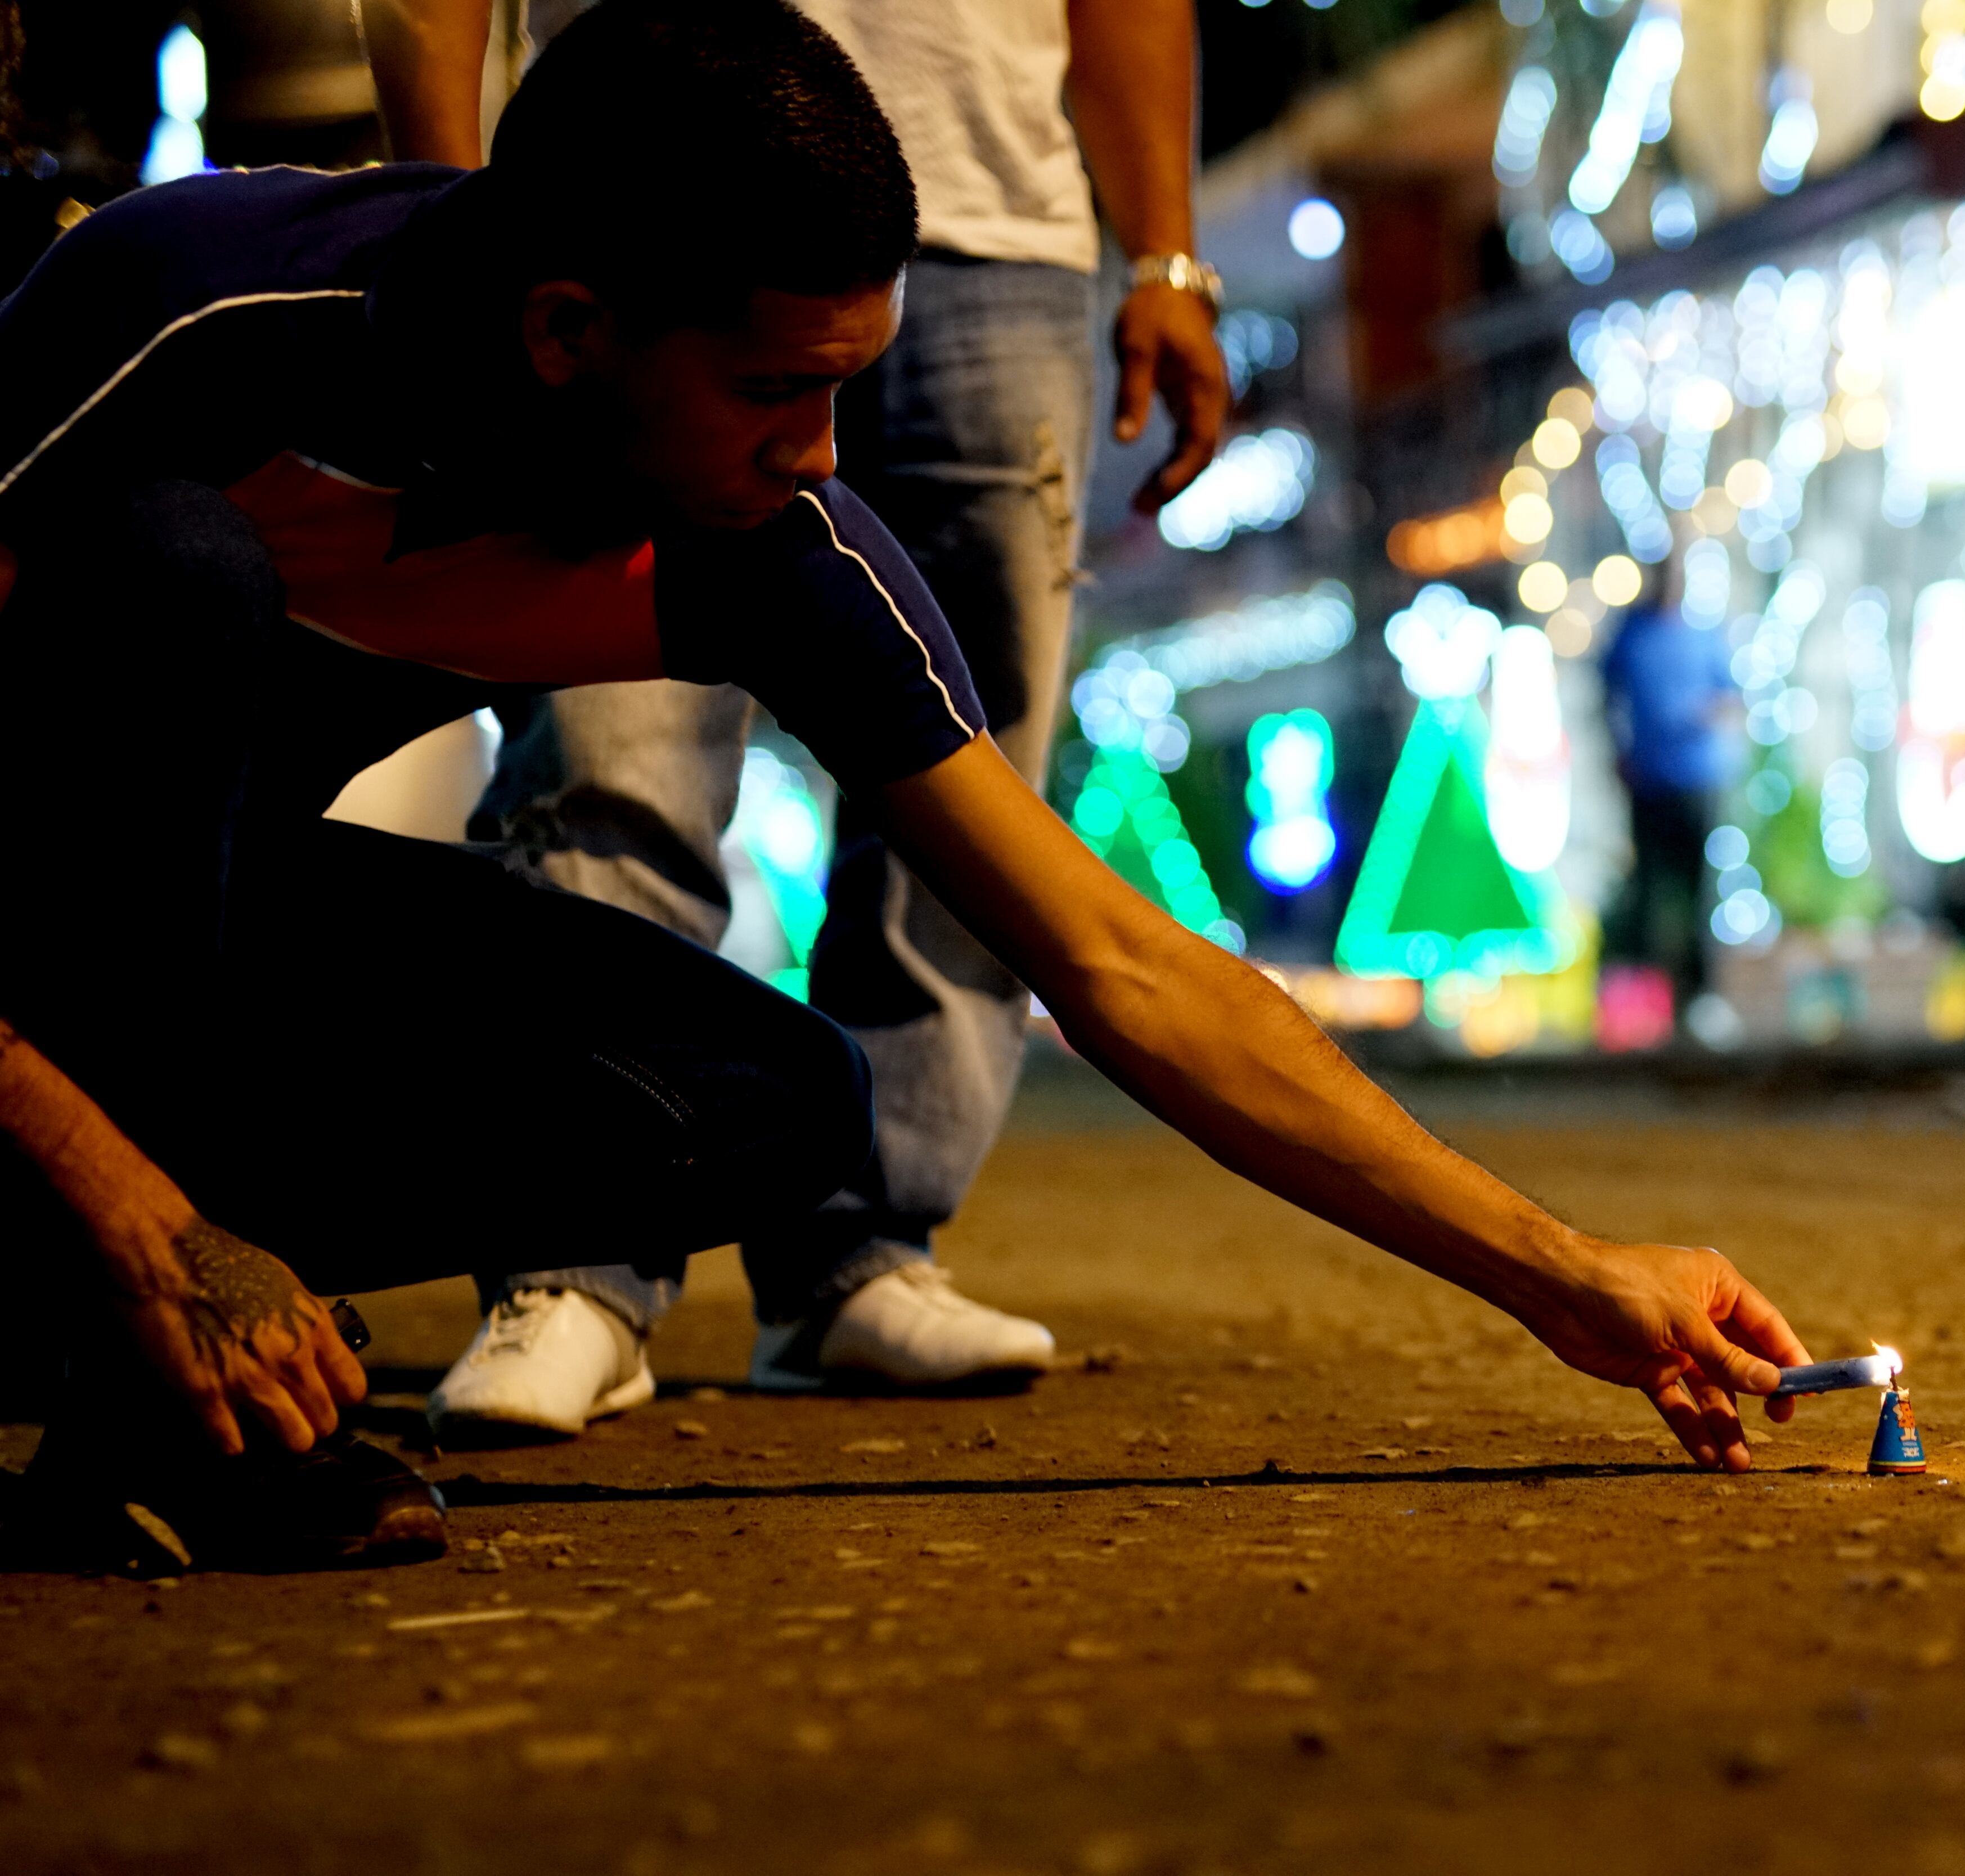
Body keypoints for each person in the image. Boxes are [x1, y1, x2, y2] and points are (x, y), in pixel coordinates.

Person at [0, 0, 1806, 1573]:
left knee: (770, 1096)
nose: (822, 458)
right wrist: (141, 1210)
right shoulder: (189, 321)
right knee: (175, 573)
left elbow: (1123, 967)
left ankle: (111, 1315)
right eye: (775, 391)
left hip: (212, 938)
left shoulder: (764, 536)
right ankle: (137, 1369)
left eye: (845, 390)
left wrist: (1567, 1275)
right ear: (567, 336)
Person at [358, 0, 1233, 1439]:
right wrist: (470, 216)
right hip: (657, 207)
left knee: (972, 754)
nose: (812, 434)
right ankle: (576, 1254)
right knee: (607, 747)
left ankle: (861, 1252)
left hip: (996, 210)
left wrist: (1168, 249)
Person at [1600, 573, 1739, 1023]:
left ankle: (1698, 997)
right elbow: (1607, 694)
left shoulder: (1704, 634)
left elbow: (1733, 698)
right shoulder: (1631, 634)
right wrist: (1617, 751)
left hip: (1698, 778)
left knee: (1700, 888)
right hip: (1647, 779)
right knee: (1647, 886)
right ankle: (1642, 999)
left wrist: (1705, 713)